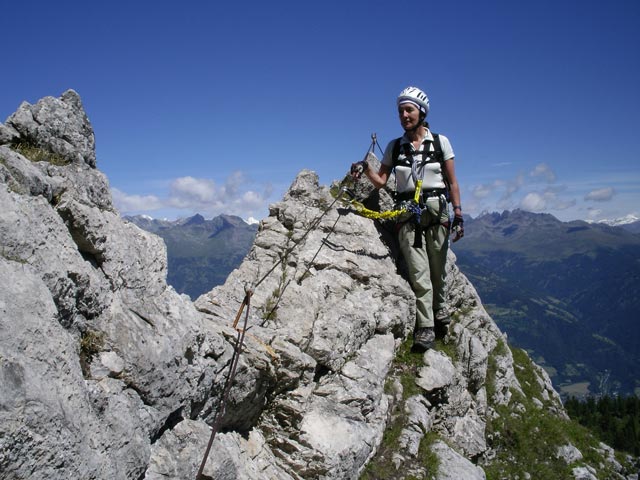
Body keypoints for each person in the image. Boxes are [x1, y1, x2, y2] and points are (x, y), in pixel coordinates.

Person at [351, 86, 464, 351]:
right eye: (401, 110)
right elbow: (380, 182)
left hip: (437, 213)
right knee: (419, 273)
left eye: (409, 109)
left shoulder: (440, 142)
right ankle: (425, 327)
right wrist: (366, 167)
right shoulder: (395, 147)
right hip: (407, 214)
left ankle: (440, 308)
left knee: (438, 268)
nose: (404, 115)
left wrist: (458, 214)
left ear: (421, 112)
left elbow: (453, 181)